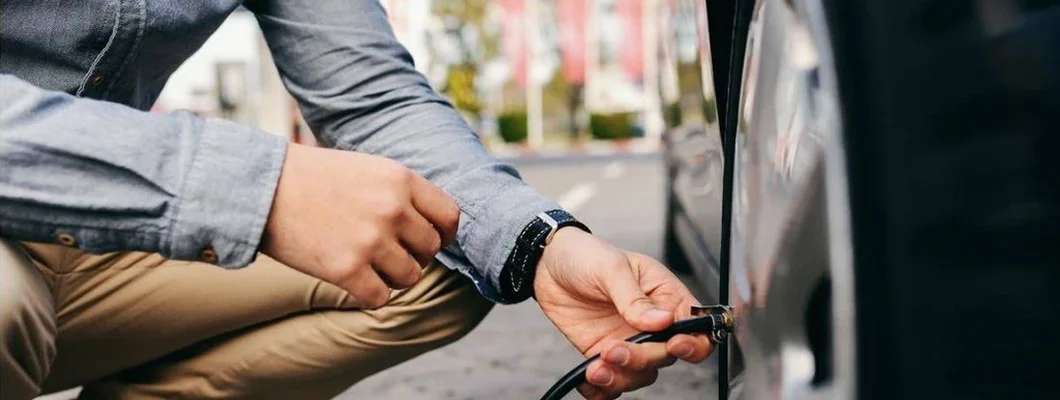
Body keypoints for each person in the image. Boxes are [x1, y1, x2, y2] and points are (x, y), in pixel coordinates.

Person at [0, 1, 713, 399]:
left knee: (430, 249)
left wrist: (542, 246)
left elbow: (372, 97)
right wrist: (259, 188)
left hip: (96, 237)